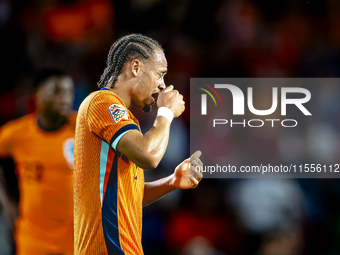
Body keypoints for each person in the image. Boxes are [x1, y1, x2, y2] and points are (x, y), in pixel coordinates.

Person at [74, 33, 203, 254]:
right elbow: (149, 156)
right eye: (160, 74)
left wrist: (171, 182)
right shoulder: (103, 102)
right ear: (135, 67)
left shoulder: (126, 121)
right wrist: (166, 113)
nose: (163, 85)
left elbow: (127, 197)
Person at [0, 68, 75, 255]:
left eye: (69, 91)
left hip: (76, 240)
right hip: (33, 240)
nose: (65, 97)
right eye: (57, 90)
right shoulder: (18, 133)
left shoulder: (84, 128)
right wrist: (6, 201)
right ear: (37, 95)